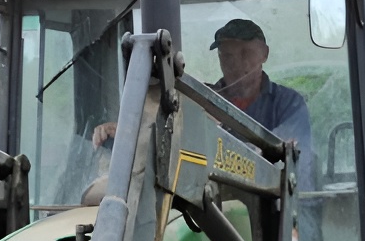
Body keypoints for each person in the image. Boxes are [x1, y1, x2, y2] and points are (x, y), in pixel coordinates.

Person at [92, 18, 312, 189]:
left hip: (275, 213)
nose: (235, 64)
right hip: (210, 211)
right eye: (227, 56)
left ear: (264, 54)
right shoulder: (198, 99)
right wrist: (127, 133)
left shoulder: (289, 104)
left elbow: (289, 164)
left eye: (245, 54)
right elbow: (162, 136)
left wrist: (212, 131)